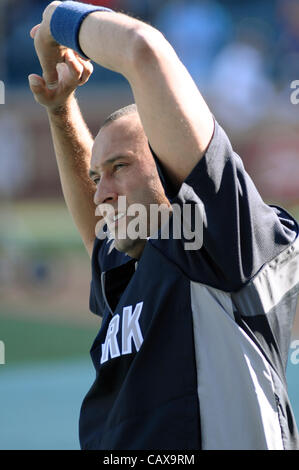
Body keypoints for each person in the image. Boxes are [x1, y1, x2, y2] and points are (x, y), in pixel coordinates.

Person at [28, 1, 299, 450]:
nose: (102, 193)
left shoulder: (222, 238)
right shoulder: (133, 262)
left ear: (173, 171)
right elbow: (100, 227)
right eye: (98, 176)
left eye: (120, 166)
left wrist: (55, 18)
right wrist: (61, 108)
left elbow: (144, 49)